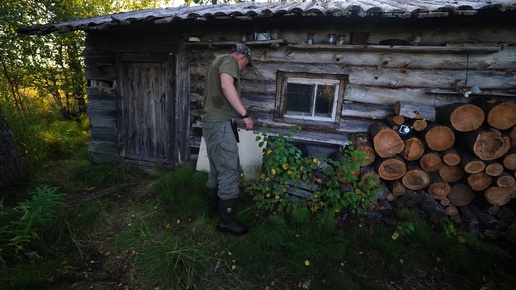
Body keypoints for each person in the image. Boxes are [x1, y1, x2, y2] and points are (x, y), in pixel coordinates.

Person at [202, 43, 254, 236]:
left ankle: (212, 210)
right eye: (245, 65)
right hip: (219, 124)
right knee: (229, 170)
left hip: (212, 123)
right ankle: (227, 221)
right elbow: (226, 85)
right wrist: (245, 114)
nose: (243, 69)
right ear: (243, 58)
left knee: (216, 167)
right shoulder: (229, 60)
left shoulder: (217, 61)